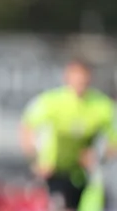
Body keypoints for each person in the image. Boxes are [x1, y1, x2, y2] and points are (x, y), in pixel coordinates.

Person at [20, 59, 117, 211]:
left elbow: (113, 140)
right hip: (55, 172)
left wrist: (99, 155)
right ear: (67, 78)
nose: (80, 84)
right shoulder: (51, 102)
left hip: (87, 175)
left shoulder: (102, 106)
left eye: (83, 80)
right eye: (76, 79)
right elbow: (27, 127)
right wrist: (36, 160)